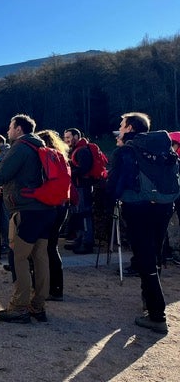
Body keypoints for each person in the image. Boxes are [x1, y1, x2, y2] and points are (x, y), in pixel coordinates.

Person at [0, 114, 57, 323]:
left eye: (10, 126)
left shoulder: (21, 147)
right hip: (46, 209)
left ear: (18, 128)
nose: (7, 130)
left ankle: (19, 307)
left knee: (19, 258)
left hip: (26, 211)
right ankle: (38, 306)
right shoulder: (42, 146)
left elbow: (0, 174)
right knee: (41, 257)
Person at [106, 112, 177, 334]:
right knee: (154, 253)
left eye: (122, 125)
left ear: (130, 128)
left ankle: (157, 314)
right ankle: (149, 301)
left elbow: (113, 185)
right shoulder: (163, 147)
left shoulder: (127, 151)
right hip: (165, 205)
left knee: (143, 257)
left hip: (137, 206)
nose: (119, 128)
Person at [36, 129, 70, 301]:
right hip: (62, 205)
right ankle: (56, 287)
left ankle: (53, 288)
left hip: (50, 206)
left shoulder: (46, 158)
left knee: (47, 248)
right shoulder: (61, 157)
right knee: (52, 247)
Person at [63, 128, 95, 254]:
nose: (66, 140)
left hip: (83, 187)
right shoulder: (80, 149)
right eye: (65, 138)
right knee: (80, 214)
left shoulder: (82, 151)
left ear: (76, 136)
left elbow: (84, 169)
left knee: (84, 214)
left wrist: (69, 173)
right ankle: (80, 239)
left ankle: (87, 243)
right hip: (79, 186)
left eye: (68, 137)